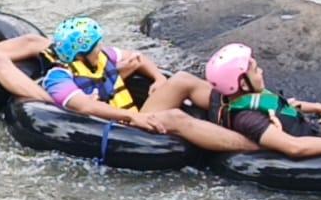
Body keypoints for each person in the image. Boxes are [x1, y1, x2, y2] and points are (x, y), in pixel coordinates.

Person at [37, 17, 256, 152]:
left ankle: (247, 109)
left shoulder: (102, 56)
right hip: (119, 131)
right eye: (95, 46)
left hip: (132, 118)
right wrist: (133, 117)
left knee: (182, 79)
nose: (100, 47)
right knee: (175, 117)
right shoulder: (58, 78)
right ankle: (255, 147)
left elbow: (138, 58)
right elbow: (85, 106)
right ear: (80, 55)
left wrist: (158, 79)